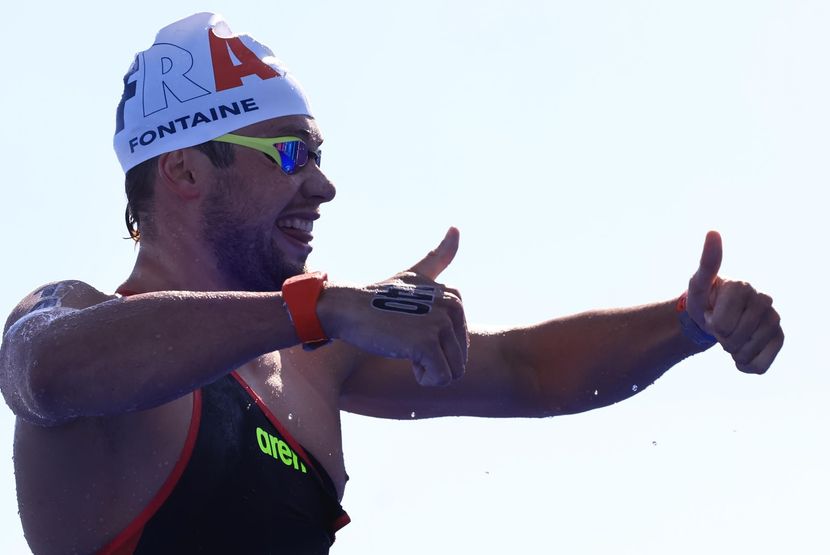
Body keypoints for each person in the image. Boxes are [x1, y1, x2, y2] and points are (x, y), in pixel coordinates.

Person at [0, 12, 783, 555]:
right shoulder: (84, 330)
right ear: (184, 170)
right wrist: (319, 306)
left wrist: (685, 322)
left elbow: (528, 370)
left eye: (317, 155)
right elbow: (39, 368)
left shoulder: (310, 359)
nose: (323, 186)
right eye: (288, 157)